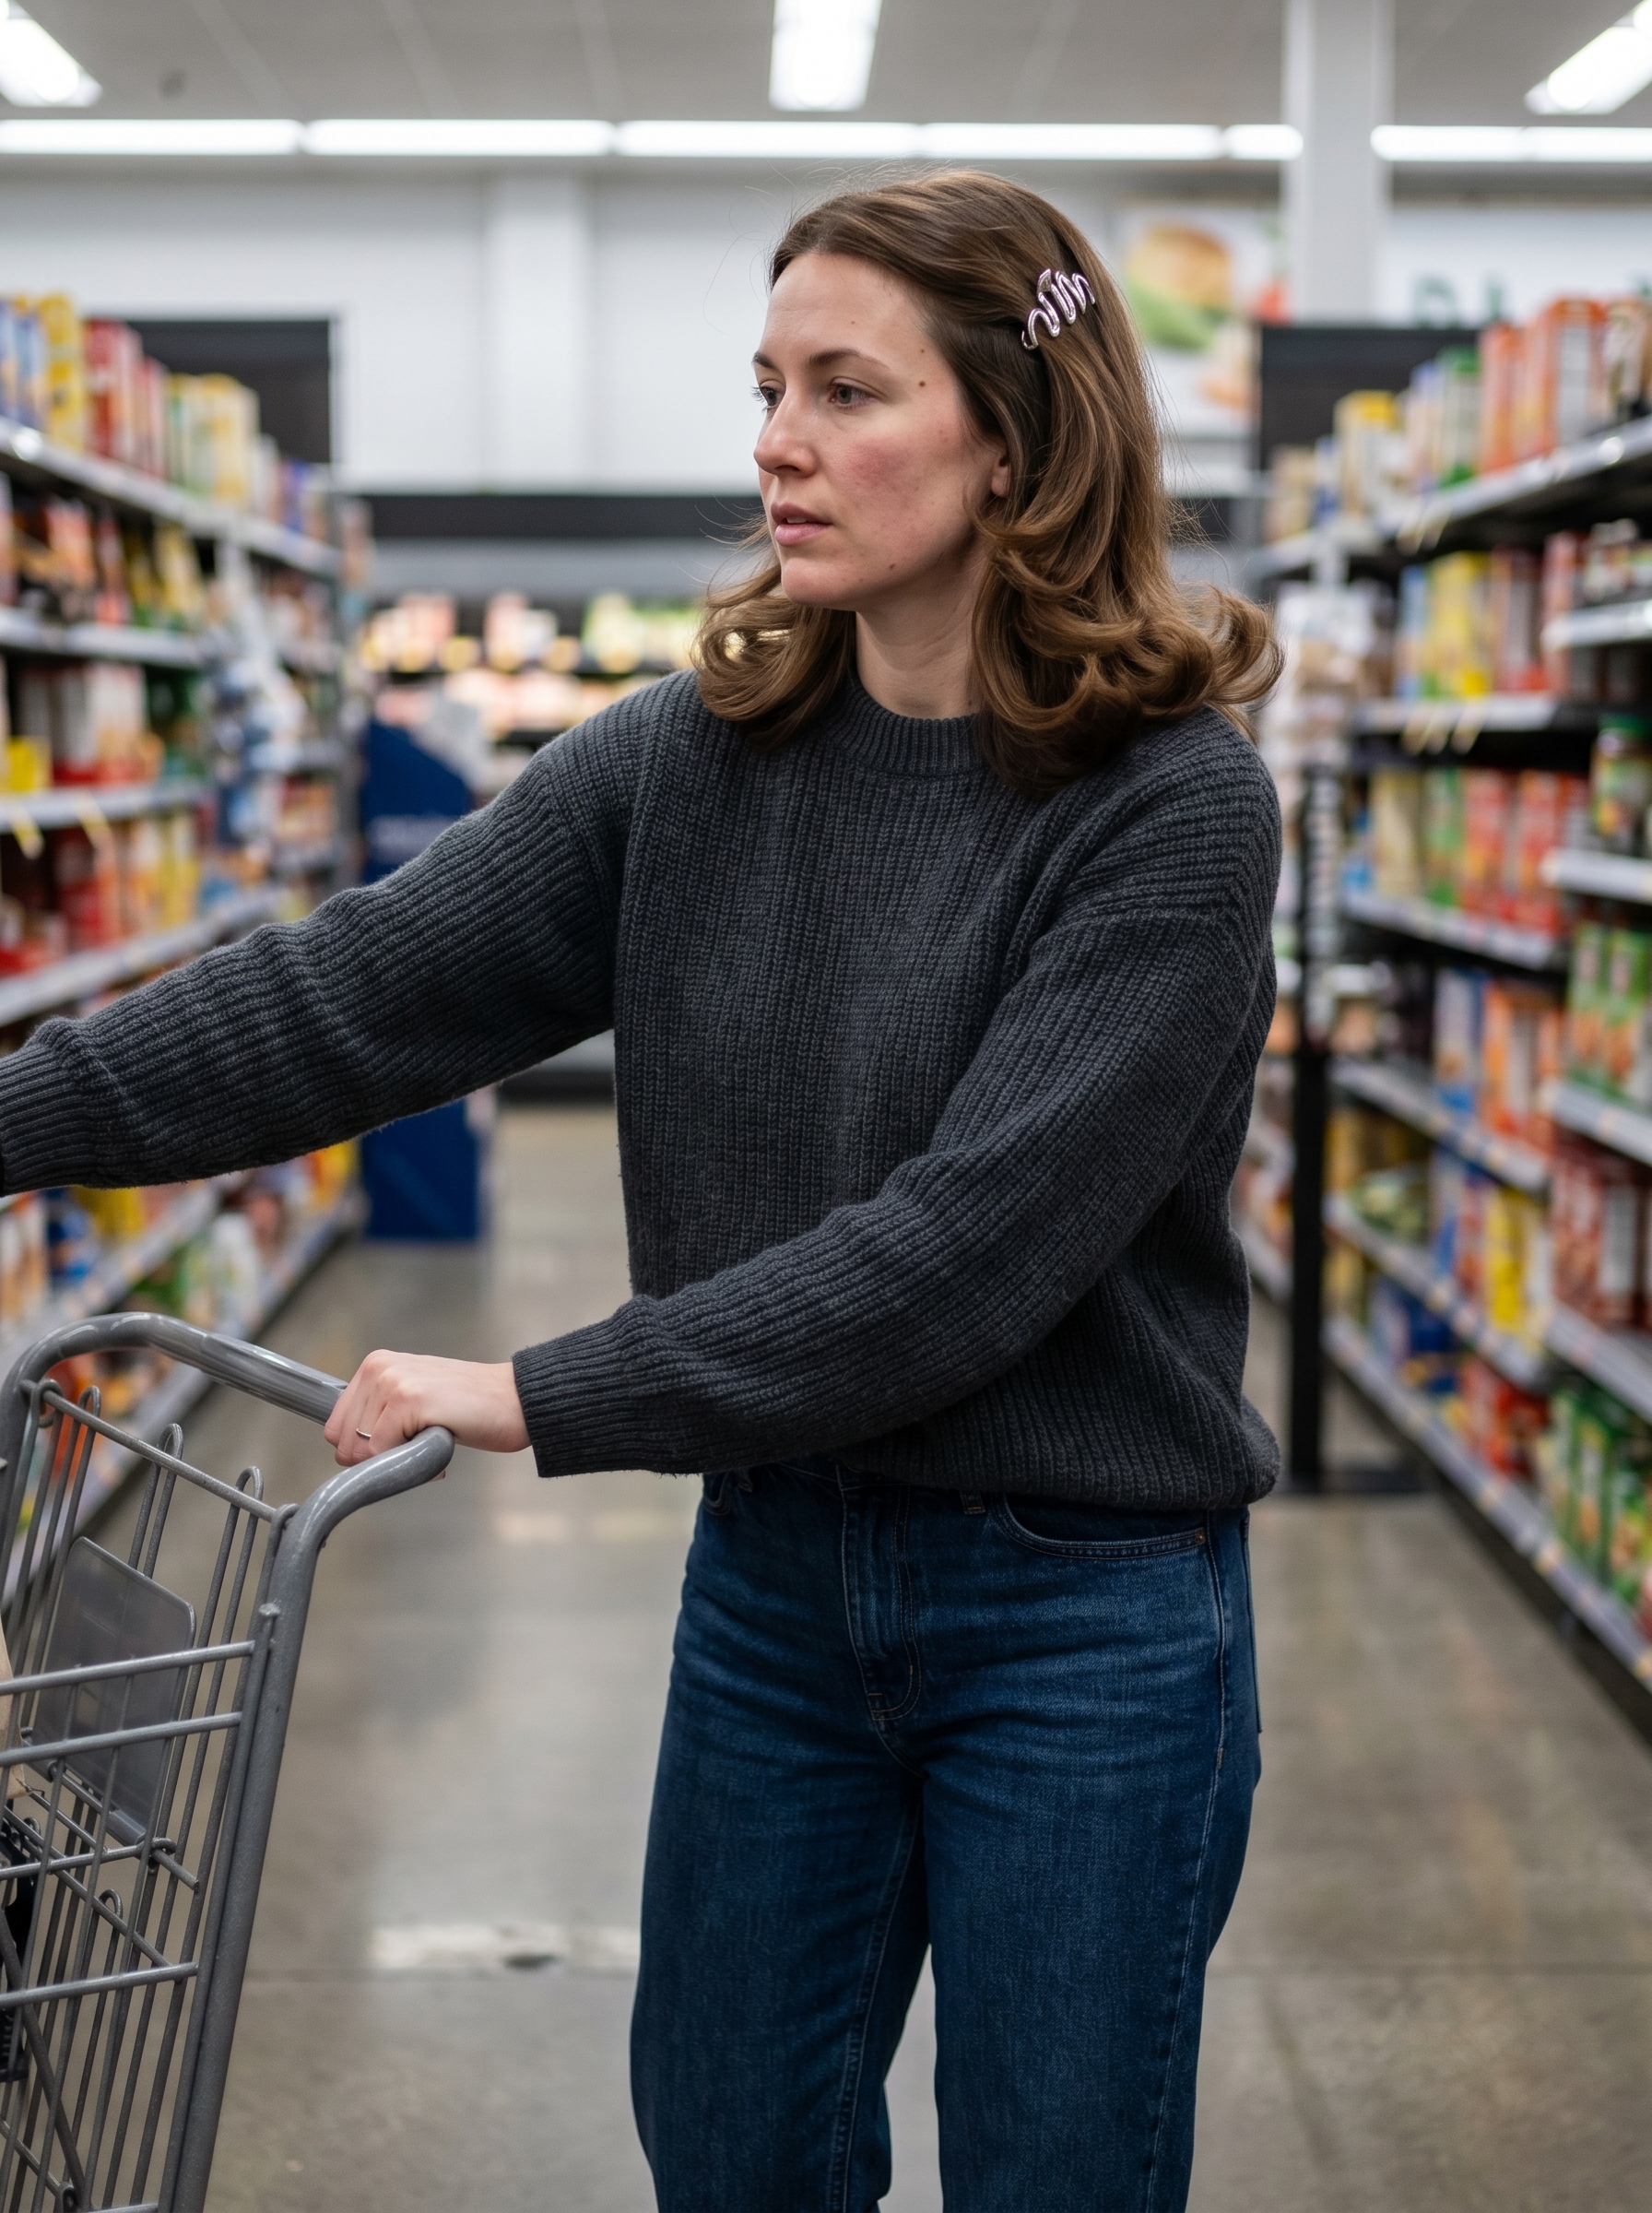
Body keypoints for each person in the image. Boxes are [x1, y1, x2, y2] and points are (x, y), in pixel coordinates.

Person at [0, 172, 1281, 2210]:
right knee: (729, 2149)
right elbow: (343, 999)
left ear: (1020, 442)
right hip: (778, 1576)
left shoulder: (1168, 809)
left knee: (1055, 2168)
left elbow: (960, 1256)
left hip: (1081, 1606)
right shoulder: (693, 757)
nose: (777, 439)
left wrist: (541, 1387)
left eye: (846, 390)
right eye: (765, 383)